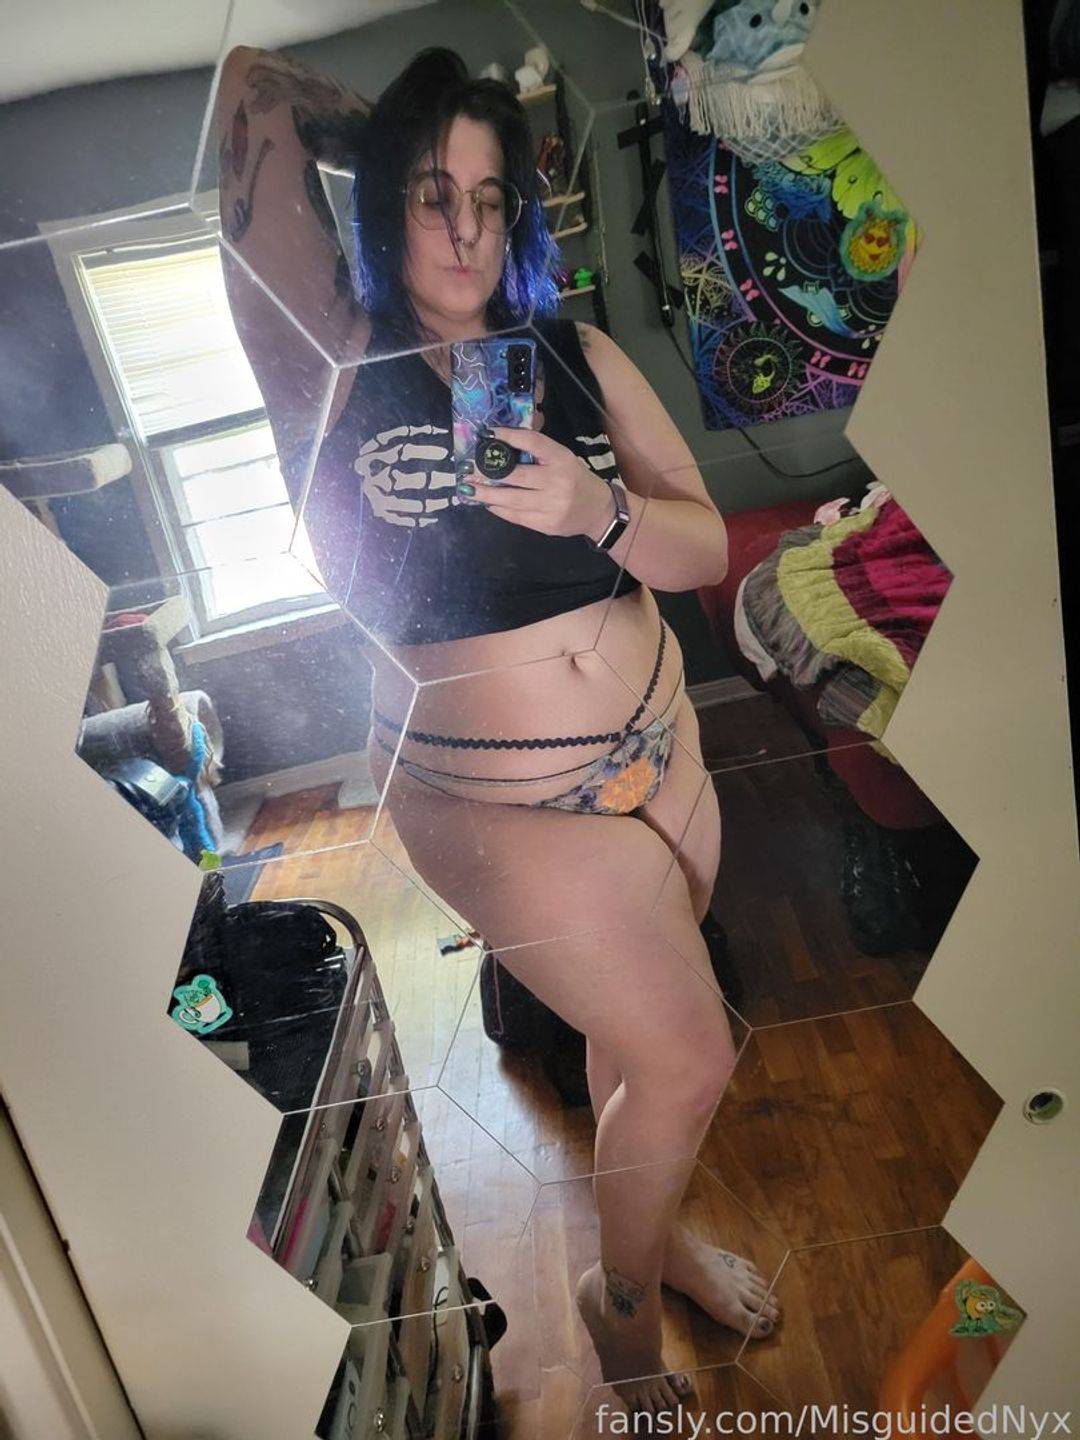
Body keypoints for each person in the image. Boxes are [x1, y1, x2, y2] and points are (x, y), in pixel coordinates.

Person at [216, 42, 781, 1418]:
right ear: (384, 203)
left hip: (663, 753)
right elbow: (245, 88)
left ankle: (655, 1238)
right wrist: (400, 123)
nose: (465, 228)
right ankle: (621, 1321)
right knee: (692, 1053)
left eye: (489, 195)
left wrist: (601, 514)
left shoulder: (575, 352)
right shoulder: (332, 358)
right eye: (431, 194)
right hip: (493, 800)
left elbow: (704, 544)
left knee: (629, 1049)